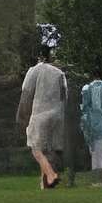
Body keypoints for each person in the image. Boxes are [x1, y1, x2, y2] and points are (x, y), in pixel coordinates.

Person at [17, 43, 70, 189]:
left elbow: (26, 94)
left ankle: (51, 175)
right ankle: (46, 184)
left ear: (39, 56)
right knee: (49, 151)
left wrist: (22, 116)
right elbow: (65, 96)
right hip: (58, 114)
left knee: (36, 149)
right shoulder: (59, 73)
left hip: (40, 113)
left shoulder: (34, 70)